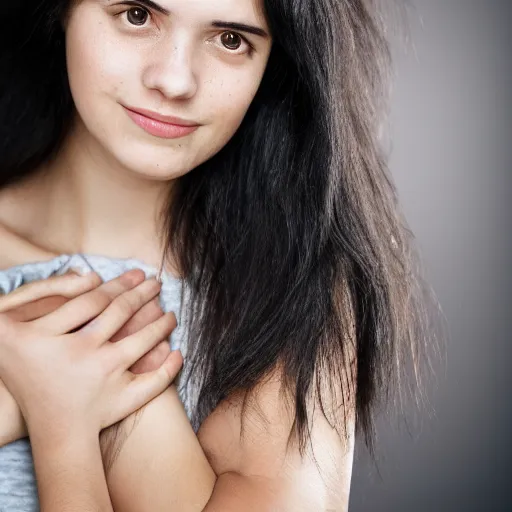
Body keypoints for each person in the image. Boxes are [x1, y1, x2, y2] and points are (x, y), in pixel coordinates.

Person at [0, 0, 436, 510]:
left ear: (273, 64)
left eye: (231, 40)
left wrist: (63, 420)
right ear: (62, 11)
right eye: (137, 15)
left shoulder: (288, 295)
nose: (175, 80)